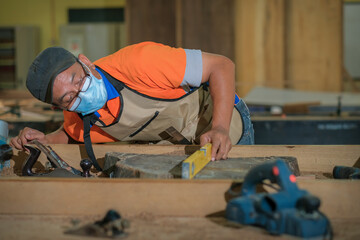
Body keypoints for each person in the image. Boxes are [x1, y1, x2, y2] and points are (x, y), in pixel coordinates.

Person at [10, 41, 254, 170]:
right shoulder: (80, 120)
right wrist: (42, 141)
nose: (81, 92)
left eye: (79, 79)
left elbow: (221, 66)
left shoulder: (140, 62)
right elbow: (68, 134)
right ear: (59, 108)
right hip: (183, 150)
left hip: (227, 127)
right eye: (69, 99)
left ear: (85, 62)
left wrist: (220, 127)